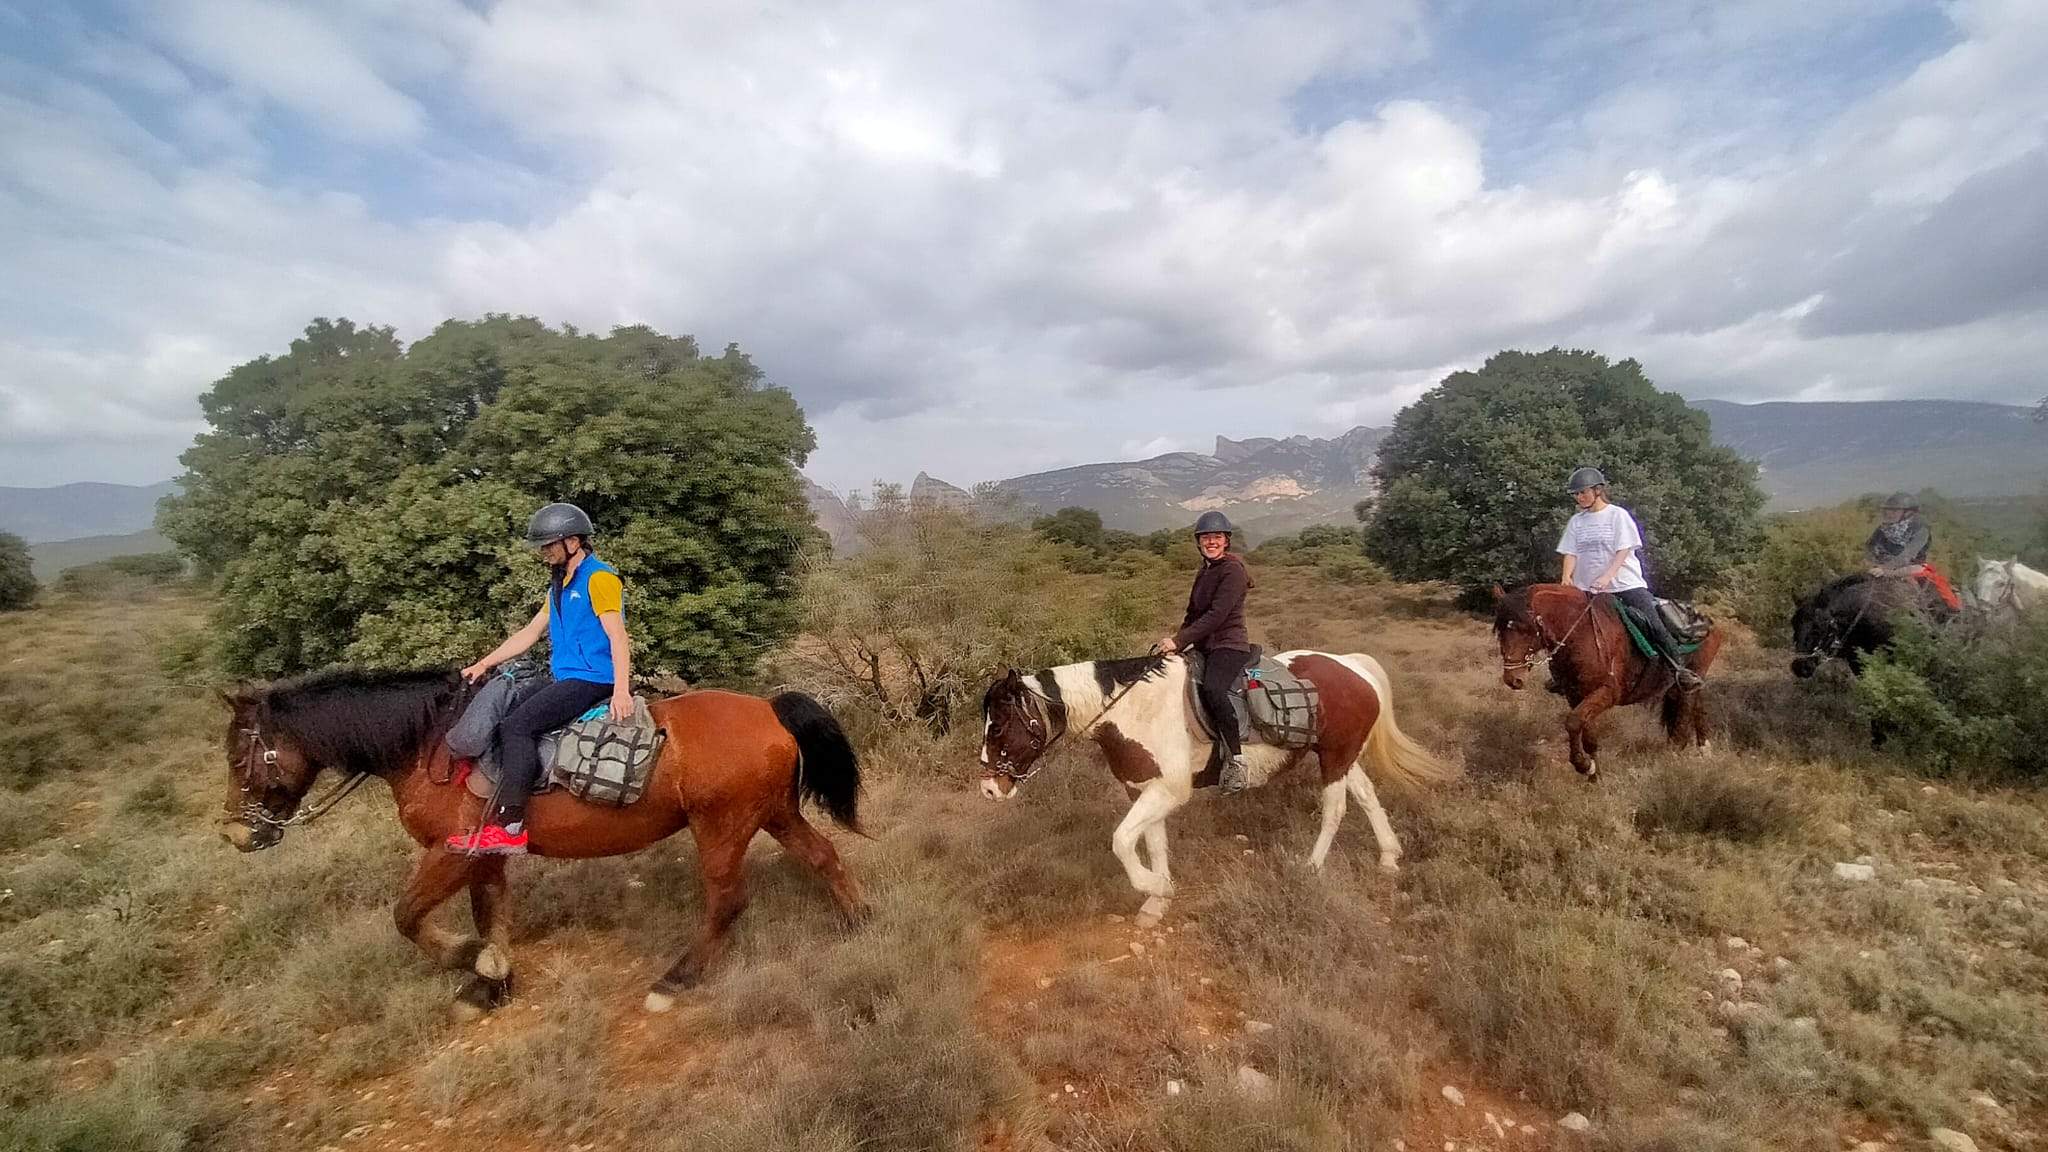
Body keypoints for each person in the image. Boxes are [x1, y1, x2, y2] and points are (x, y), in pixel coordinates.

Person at [446, 502, 635, 855]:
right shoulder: (559, 587)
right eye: (543, 546)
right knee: (504, 706)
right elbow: (530, 633)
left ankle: (511, 826)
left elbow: (617, 636)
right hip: (565, 676)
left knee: (516, 727)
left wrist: (621, 690)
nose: (544, 552)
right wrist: (484, 663)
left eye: (549, 545)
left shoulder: (600, 579)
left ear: (573, 542)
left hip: (594, 678)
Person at [1556, 468, 1701, 688]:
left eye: (1582, 492)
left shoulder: (1617, 515)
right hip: (1587, 589)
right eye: (1575, 494)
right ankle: (1563, 675)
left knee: (1653, 623)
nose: (1579, 497)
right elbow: (1570, 552)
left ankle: (1680, 670)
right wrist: (1566, 577)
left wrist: (1607, 576)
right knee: (1567, 627)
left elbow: (1623, 550)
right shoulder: (1577, 522)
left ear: (1597, 490)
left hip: (1625, 584)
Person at [1157, 510, 1255, 793]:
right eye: (1206, 538)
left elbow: (1216, 615)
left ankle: (1236, 761)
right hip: (1203, 645)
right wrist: (1178, 642)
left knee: (1214, 690)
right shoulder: (1205, 570)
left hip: (1229, 645)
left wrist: (1180, 640)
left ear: (1226, 541)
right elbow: (1193, 613)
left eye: (1216, 537)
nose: (1211, 542)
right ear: (1199, 542)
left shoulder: (1232, 571)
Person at [1864, 492, 1961, 612]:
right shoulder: (1883, 529)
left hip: (1911, 567)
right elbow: (1869, 547)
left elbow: (1908, 555)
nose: (1888, 514)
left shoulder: (1921, 530)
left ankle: (1942, 613)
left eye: (1894, 511)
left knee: (1933, 594)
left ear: (1908, 513)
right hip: (1882, 566)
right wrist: (1873, 562)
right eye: (1887, 510)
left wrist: (1885, 569)